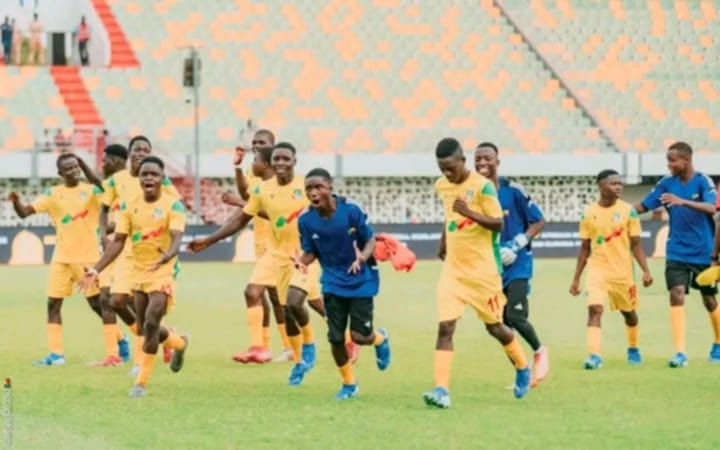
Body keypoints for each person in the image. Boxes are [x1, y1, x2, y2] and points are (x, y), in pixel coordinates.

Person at [188, 142, 319, 386]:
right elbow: (241, 220)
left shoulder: (306, 184)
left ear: (294, 161)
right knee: (288, 310)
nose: (281, 163)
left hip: (306, 254)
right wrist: (209, 240)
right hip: (276, 254)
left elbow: (330, 208)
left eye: (285, 158)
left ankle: (312, 344)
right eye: (277, 158)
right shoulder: (262, 189)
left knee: (297, 302)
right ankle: (299, 361)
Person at [423, 138, 530, 409]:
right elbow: (449, 215)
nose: (447, 174)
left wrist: (469, 212)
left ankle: (522, 365)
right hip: (453, 271)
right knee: (446, 327)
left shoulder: (483, 187)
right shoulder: (441, 185)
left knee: (495, 327)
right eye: (442, 169)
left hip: (483, 273)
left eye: (451, 168)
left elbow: (498, 223)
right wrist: (443, 240)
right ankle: (441, 390)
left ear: (462, 161)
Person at [79, 156, 189, 398]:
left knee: (150, 321)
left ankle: (140, 382)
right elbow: (118, 241)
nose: (149, 178)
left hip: (163, 269)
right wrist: (96, 269)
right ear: (139, 178)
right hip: (137, 268)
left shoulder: (174, 206)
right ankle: (178, 342)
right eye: (144, 174)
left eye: (154, 174)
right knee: (143, 325)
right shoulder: (129, 206)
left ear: (162, 178)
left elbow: (176, 239)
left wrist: (166, 257)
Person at [293, 168, 391, 400]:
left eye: (318, 187)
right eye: (309, 189)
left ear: (330, 188)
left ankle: (379, 338)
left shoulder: (351, 210)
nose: (313, 192)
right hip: (332, 282)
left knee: (359, 337)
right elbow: (310, 251)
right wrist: (301, 261)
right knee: (336, 338)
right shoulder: (305, 220)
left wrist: (362, 258)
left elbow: (369, 239)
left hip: (361, 281)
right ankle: (349, 384)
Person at [8, 154, 105, 366]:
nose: (73, 171)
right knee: (53, 304)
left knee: (98, 305)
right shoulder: (52, 194)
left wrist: (86, 167)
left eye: (75, 167)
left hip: (88, 258)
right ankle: (56, 354)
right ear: (60, 173)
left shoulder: (92, 190)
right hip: (61, 258)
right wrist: (16, 202)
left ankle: (120, 342)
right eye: (68, 169)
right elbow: (24, 213)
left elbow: (106, 189)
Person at [634, 141, 720, 367]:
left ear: (686, 160)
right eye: (668, 161)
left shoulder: (703, 181)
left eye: (672, 161)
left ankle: (718, 342)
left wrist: (682, 202)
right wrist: (619, 212)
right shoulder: (666, 183)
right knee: (676, 293)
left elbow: (712, 207)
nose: (669, 165)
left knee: (709, 299)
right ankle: (680, 352)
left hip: (703, 251)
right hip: (676, 250)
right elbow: (644, 206)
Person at [99, 136, 179, 375]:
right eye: (137, 149)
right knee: (114, 301)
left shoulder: (158, 179)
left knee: (139, 305)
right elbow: (103, 207)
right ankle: (169, 338)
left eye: (146, 149)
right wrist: (103, 234)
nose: (141, 152)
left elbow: (176, 206)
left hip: (152, 253)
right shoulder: (117, 180)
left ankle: (139, 361)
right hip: (123, 247)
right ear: (130, 153)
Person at [475, 142, 549, 386]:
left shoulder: (513, 190)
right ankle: (523, 373)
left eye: (487, 158)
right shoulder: (473, 194)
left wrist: (519, 242)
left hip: (518, 265)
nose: (482, 162)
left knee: (515, 317)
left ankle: (540, 351)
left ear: (497, 161)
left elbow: (539, 221)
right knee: (500, 326)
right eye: (478, 159)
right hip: (491, 268)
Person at [570, 169, 653, 369]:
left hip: (622, 272)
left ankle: (633, 348)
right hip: (598, 269)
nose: (618, 187)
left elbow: (636, 244)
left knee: (629, 314)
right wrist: (576, 278)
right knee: (595, 309)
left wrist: (645, 270)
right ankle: (594, 356)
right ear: (601, 187)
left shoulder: (628, 211)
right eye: (613, 184)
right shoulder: (588, 213)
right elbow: (584, 248)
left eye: (620, 184)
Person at [224, 130, 293, 363]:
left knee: (277, 296)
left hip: (282, 243)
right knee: (261, 294)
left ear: (273, 146)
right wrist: (237, 166)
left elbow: (265, 210)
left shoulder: (281, 178)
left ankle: (285, 346)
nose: (256, 146)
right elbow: (246, 196)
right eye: (254, 142)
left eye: (261, 143)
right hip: (261, 243)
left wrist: (239, 202)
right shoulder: (255, 173)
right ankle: (265, 346)